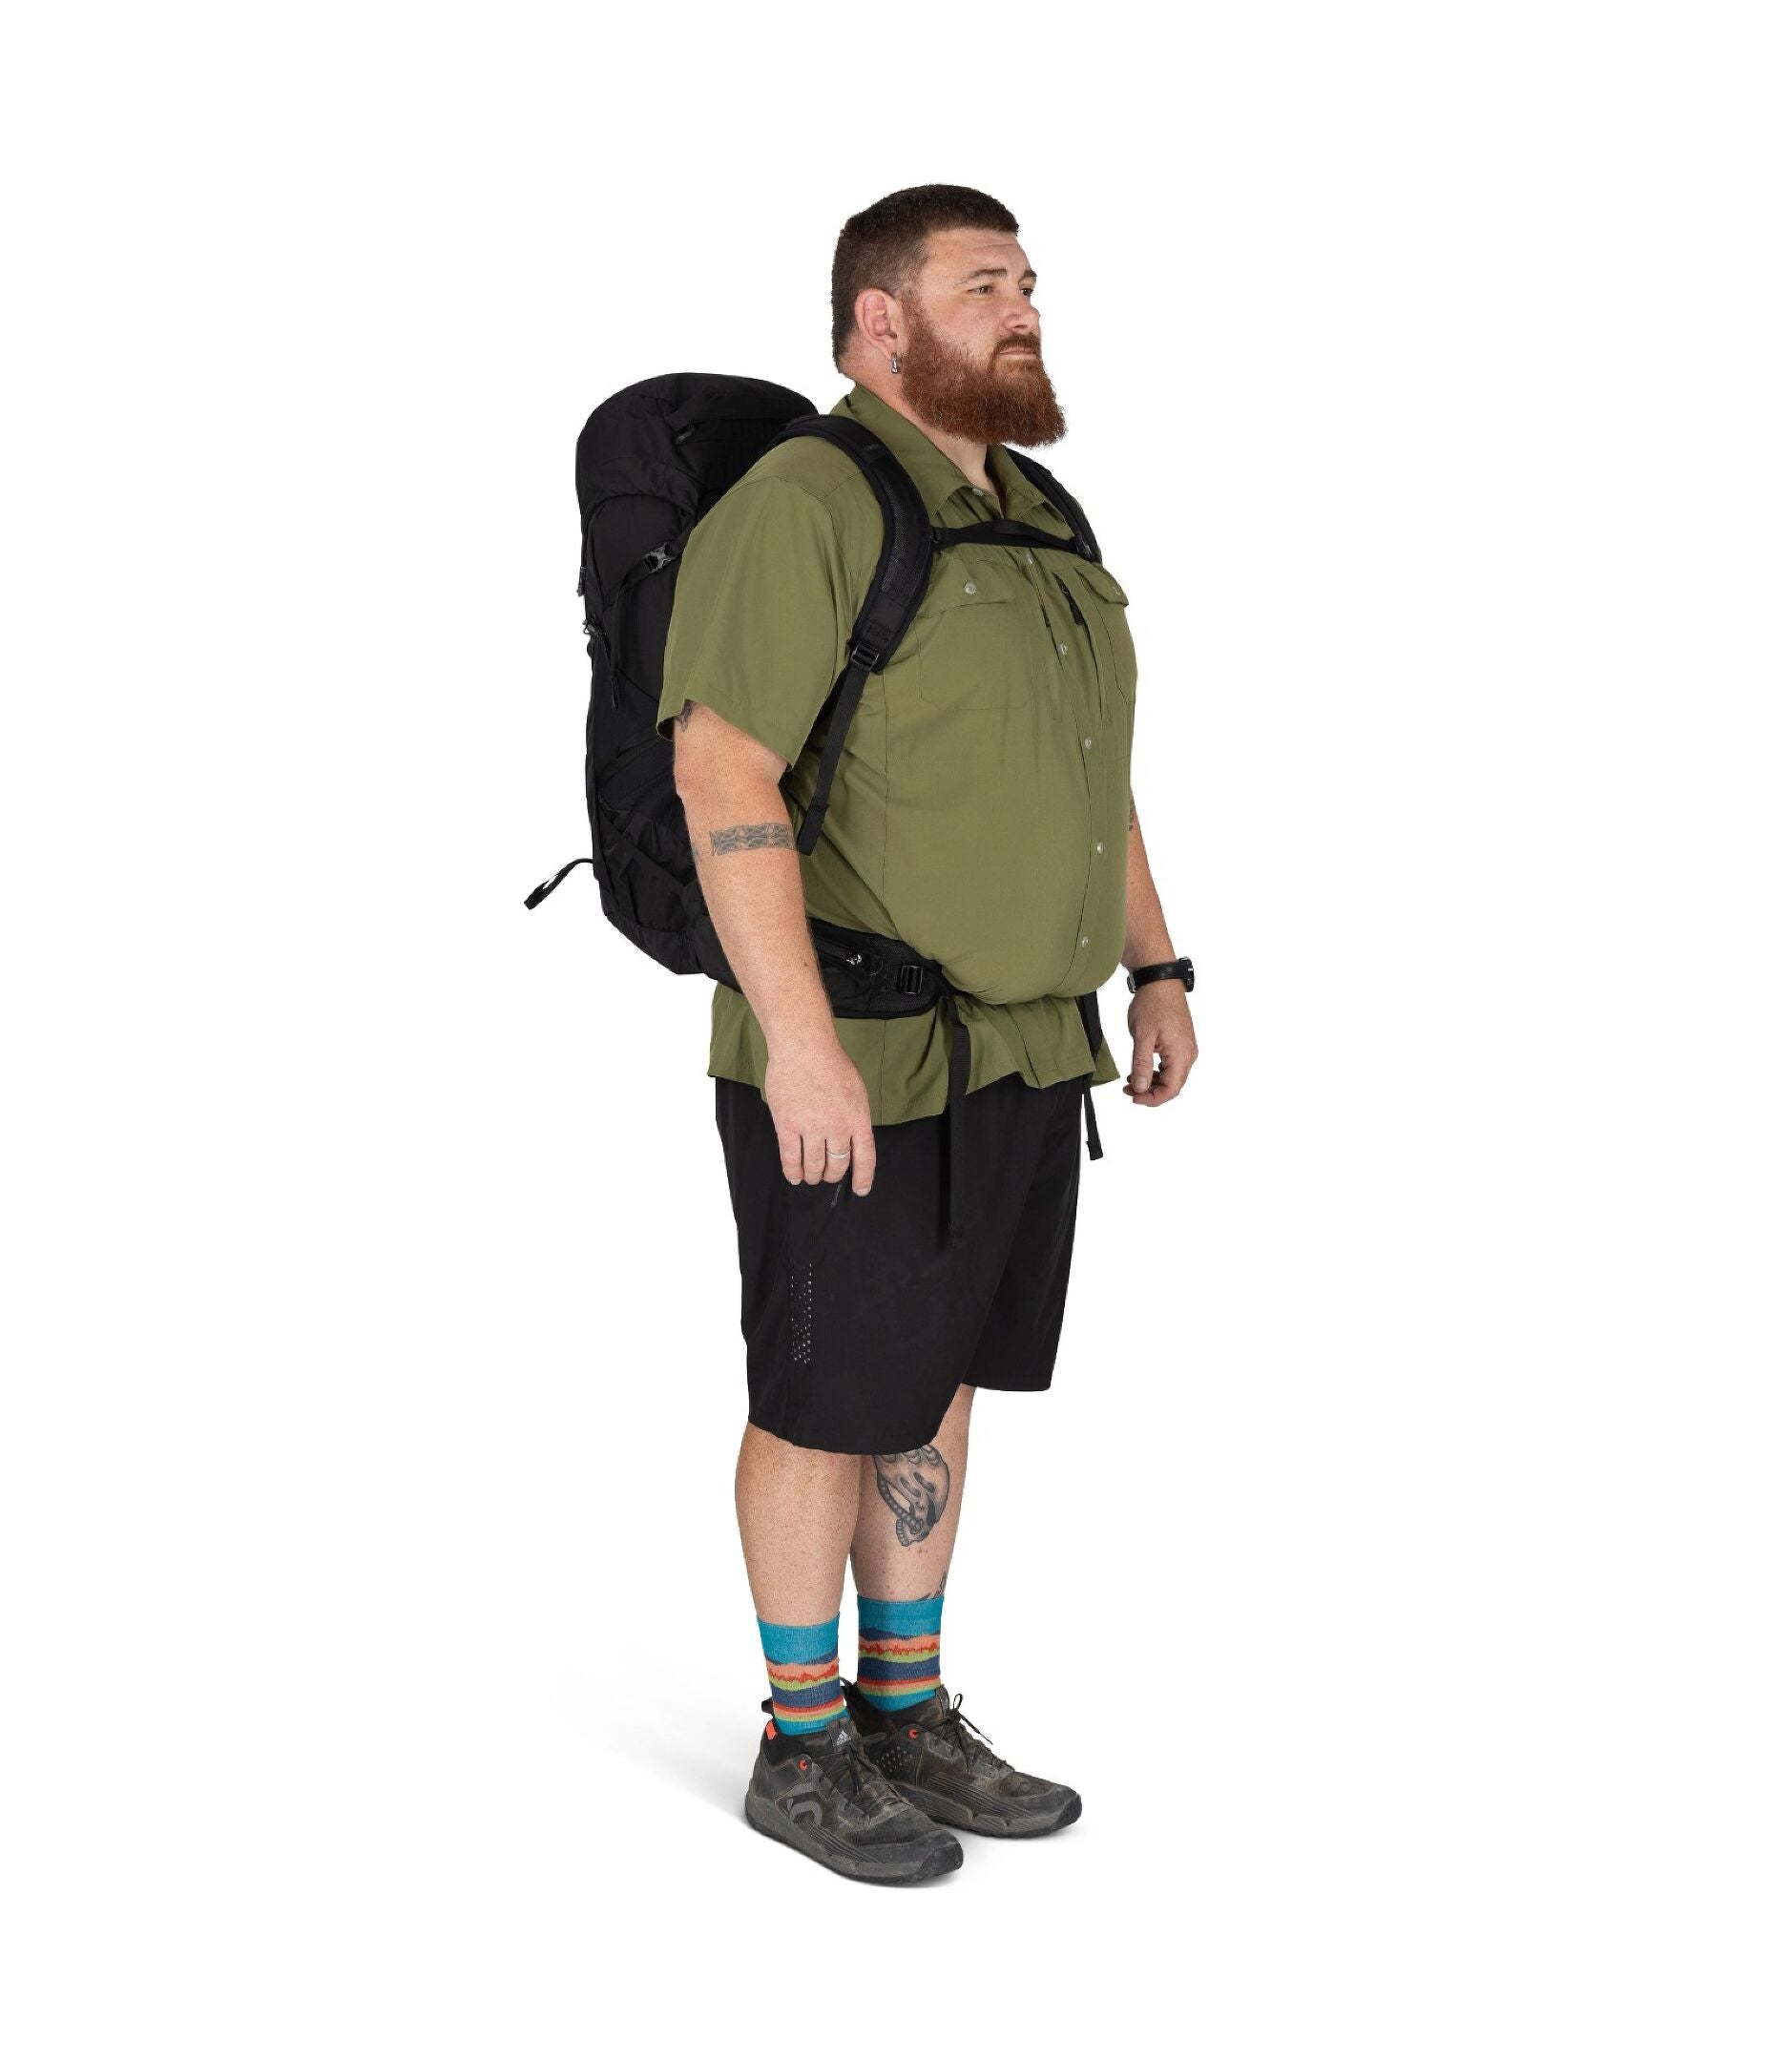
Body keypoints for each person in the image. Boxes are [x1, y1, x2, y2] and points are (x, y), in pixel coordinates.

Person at [654, 183, 1198, 1883]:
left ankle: (903, 1708)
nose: (1022, 307)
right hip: (859, 1054)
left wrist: (1158, 967)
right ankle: (799, 1742)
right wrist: (796, 1043)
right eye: (981, 284)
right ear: (879, 319)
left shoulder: (1039, 517)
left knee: (934, 1377)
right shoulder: (806, 501)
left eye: (1026, 280)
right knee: (823, 1397)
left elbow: (1087, 775)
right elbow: (719, 771)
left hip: (1030, 1047)